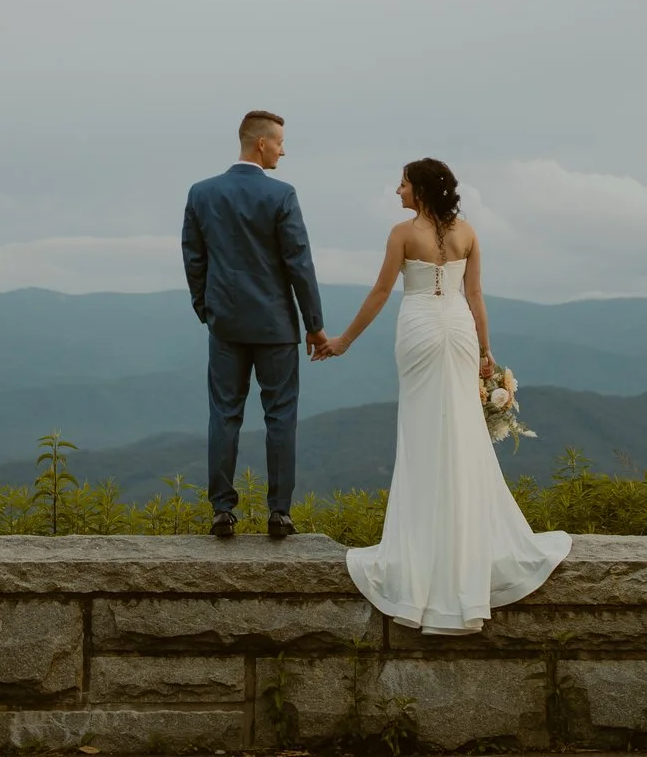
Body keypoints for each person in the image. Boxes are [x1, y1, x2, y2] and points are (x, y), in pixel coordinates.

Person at [321, 157, 570, 633]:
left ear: (421, 189)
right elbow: (474, 294)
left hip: (417, 327)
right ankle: (463, 555)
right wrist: (486, 349)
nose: (397, 190)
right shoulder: (469, 231)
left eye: (403, 183)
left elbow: (379, 292)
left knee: (420, 439)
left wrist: (344, 341)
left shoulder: (401, 233)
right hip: (457, 329)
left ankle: (423, 561)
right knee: (461, 434)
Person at [181, 109, 329, 541]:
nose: (284, 149)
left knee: (223, 416)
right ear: (261, 143)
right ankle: (279, 513)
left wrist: (206, 308)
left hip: (224, 323)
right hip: (276, 326)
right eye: (280, 142)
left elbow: (194, 257)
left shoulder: (201, 193)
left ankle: (222, 511)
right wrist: (314, 325)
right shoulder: (282, 195)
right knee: (280, 417)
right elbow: (298, 263)